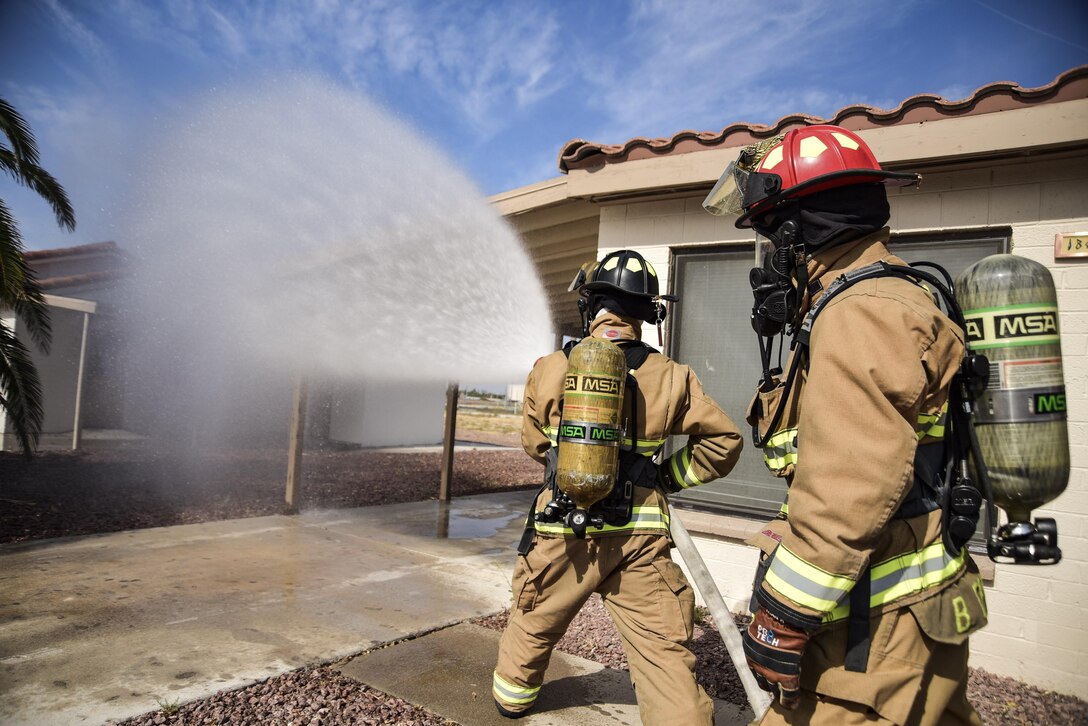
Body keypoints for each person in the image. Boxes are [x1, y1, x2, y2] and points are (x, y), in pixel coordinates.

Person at [703, 124, 988, 725]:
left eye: (766, 240)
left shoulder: (859, 311)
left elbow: (851, 485)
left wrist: (782, 613)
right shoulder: (885, 295)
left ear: (797, 233)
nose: (764, 266)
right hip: (906, 612)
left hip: (874, 628)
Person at [492, 249, 744, 724]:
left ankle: (513, 699)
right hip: (640, 539)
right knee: (663, 653)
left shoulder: (551, 366)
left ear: (591, 308)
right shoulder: (672, 375)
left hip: (563, 528)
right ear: (648, 313)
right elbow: (725, 441)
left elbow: (532, 443)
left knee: (534, 619)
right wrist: (664, 477)